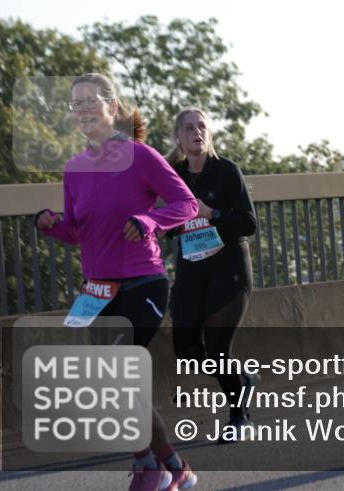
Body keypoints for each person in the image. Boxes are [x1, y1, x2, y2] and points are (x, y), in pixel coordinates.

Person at [35, 73, 199, 491]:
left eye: (91, 100)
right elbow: (77, 231)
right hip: (97, 286)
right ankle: (174, 465)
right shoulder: (73, 168)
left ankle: (148, 465)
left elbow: (185, 203)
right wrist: (54, 226)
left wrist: (148, 220)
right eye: (76, 103)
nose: (84, 109)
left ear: (112, 106)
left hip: (142, 280)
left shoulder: (139, 156)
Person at [166, 109, 258, 442]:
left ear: (210, 133)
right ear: (178, 136)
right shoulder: (173, 176)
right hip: (192, 268)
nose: (196, 132)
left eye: (202, 126)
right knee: (186, 349)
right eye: (189, 128)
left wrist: (212, 214)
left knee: (218, 348)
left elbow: (248, 223)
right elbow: (166, 226)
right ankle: (241, 377)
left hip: (228, 267)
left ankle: (238, 416)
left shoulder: (227, 171)